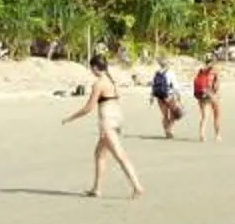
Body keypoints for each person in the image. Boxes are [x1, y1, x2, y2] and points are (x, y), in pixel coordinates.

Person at [63, 55, 144, 199]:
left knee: (120, 155)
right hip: (117, 120)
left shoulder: (99, 84)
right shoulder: (112, 81)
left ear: (95, 68)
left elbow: (89, 108)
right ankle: (97, 189)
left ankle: (137, 186)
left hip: (107, 123)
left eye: (91, 68)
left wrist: (70, 118)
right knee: (99, 154)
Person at [149, 63, 184, 138]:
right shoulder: (170, 73)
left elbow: (153, 85)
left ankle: (166, 131)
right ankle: (170, 130)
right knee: (173, 114)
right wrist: (179, 97)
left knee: (165, 115)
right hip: (169, 96)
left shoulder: (157, 73)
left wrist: (151, 97)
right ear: (167, 65)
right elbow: (175, 86)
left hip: (159, 97)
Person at [192, 60, 223, 141]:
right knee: (217, 116)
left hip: (202, 95)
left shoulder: (201, 71)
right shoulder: (215, 71)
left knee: (204, 116)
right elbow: (216, 86)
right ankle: (217, 135)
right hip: (212, 95)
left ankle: (202, 134)